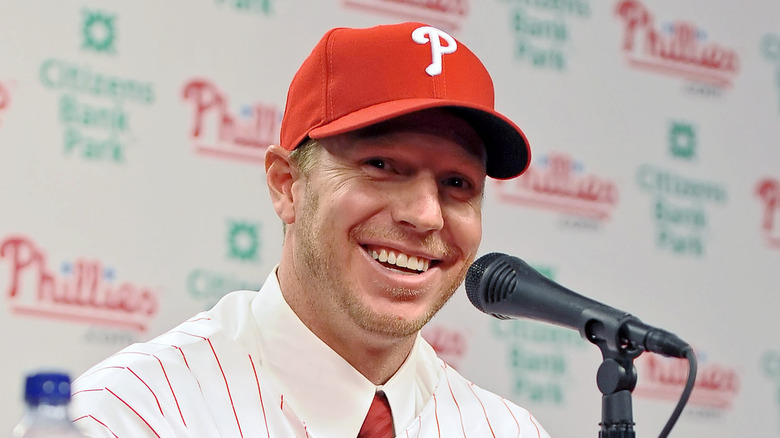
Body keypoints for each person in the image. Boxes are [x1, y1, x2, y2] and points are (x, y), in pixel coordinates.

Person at [70, 22, 551, 438]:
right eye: (381, 164)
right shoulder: (129, 415)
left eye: (456, 183)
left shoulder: (508, 430)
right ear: (286, 185)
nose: (426, 216)